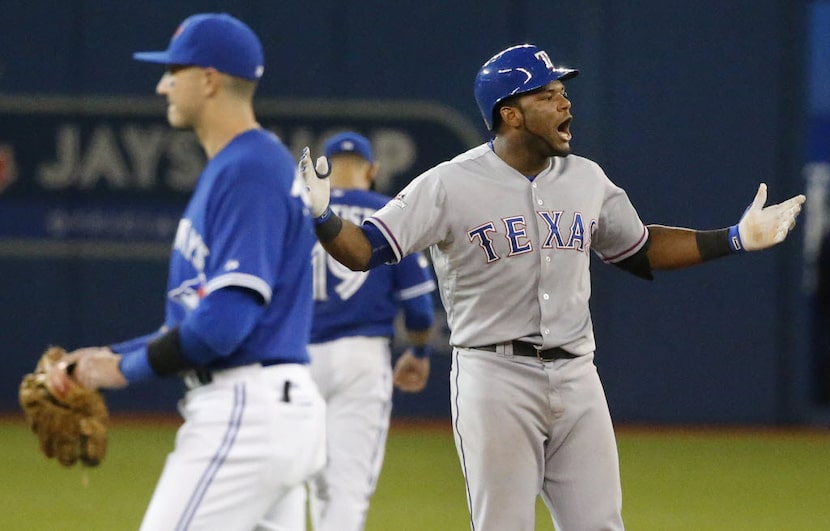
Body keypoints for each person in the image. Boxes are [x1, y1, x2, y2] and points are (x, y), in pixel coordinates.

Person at [299, 44, 806, 531]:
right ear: (510, 114)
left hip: (577, 374)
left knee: (601, 525)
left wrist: (736, 238)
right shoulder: (448, 184)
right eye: (546, 93)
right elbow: (364, 250)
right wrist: (323, 217)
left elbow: (641, 247)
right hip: (493, 375)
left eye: (562, 91)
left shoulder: (586, 178)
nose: (564, 101)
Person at [47, 13, 326, 531]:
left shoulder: (250, 168)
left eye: (172, 71)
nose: (161, 85)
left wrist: (122, 370)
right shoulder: (238, 166)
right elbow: (198, 321)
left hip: (247, 411)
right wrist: (104, 360)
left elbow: (222, 326)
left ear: (209, 79)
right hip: (267, 407)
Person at [305, 131, 437, 531]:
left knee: (309, 481)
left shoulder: (297, 215)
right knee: (348, 489)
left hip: (295, 360)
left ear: (323, 171)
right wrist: (419, 353)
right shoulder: (389, 213)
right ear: (373, 169)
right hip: (361, 360)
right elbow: (418, 311)